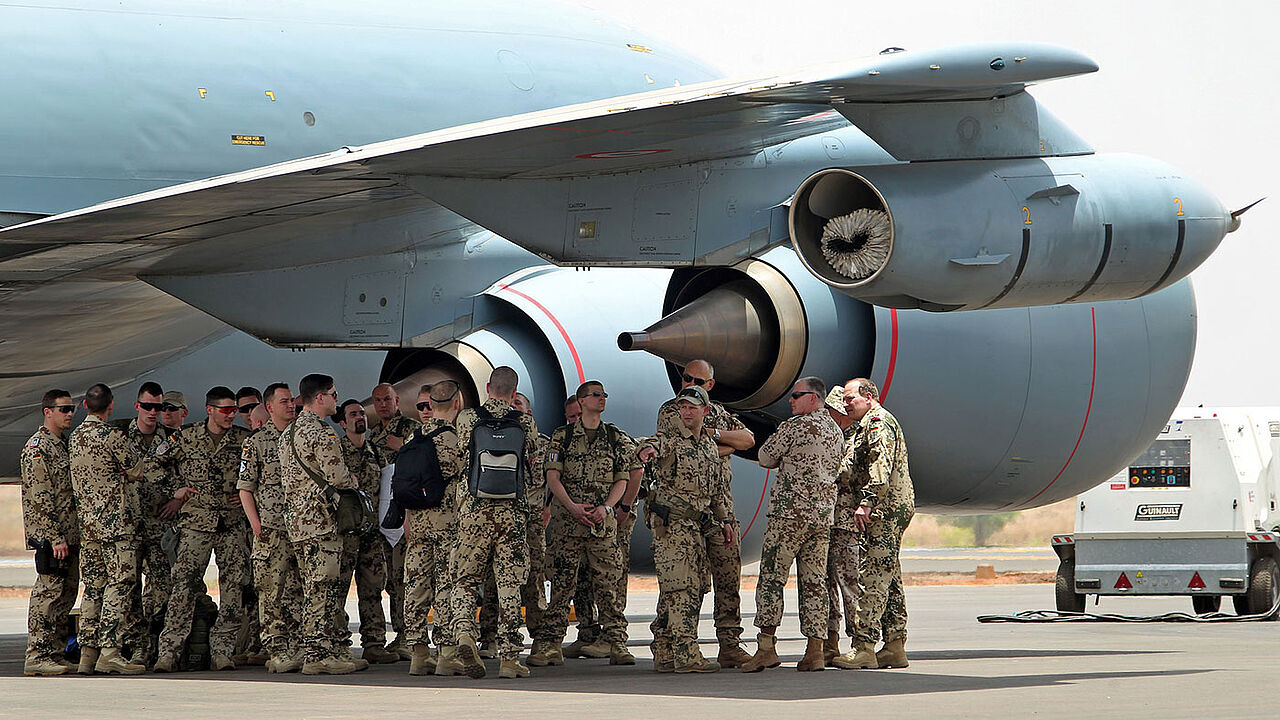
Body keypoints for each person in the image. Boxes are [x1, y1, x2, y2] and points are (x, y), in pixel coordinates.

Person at [653, 359, 755, 667]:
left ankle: (729, 643)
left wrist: (710, 435)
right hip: (687, 511)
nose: (690, 383)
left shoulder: (716, 411)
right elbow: (688, 446)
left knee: (727, 579)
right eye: (686, 377)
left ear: (710, 385)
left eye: (698, 380)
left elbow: (748, 440)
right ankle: (669, 643)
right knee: (681, 580)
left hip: (719, 507)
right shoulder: (674, 409)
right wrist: (721, 441)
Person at [741, 377, 843, 673]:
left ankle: (766, 648)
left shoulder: (795, 427)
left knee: (772, 579)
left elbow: (764, 457)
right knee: (814, 584)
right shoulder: (835, 431)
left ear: (814, 398)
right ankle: (815, 651)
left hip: (789, 517)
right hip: (821, 519)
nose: (791, 400)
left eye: (796, 395)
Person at [535, 382, 637, 667]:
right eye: (596, 395)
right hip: (569, 525)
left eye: (604, 395)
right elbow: (553, 478)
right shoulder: (562, 437)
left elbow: (623, 478)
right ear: (581, 402)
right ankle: (551, 644)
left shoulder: (614, 437)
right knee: (562, 586)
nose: (602, 399)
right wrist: (572, 507)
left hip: (601, 528)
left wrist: (607, 508)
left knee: (608, 586)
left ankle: (617, 642)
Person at [153, 386, 253, 672]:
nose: (231, 415)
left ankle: (222, 651)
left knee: (233, 586)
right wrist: (177, 491)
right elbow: (151, 467)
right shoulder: (186, 438)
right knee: (184, 586)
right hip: (196, 524)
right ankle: (169, 652)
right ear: (209, 409)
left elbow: (260, 471)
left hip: (231, 524)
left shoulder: (243, 440)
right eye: (225, 410)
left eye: (234, 410)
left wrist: (247, 493)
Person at [449, 366, 538, 680]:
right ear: (514, 393)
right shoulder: (525, 422)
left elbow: (460, 457)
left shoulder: (467, 419)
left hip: (473, 512)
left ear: (488, 388)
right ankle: (510, 658)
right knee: (509, 585)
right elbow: (534, 469)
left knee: (465, 580)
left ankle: (464, 635)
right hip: (511, 516)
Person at [636, 385, 728, 673]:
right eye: (683, 407)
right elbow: (651, 444)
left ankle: (664, 650)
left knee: (691, 588)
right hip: (673, 528)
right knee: (681, 590)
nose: (686, 412)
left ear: (705, 411)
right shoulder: (672, 441)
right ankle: (687, 654)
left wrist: (724, 521)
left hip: (697, 528)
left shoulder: (709, 447)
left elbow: (716, 492)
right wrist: (646, 449)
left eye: (692, 407)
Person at [277, 373, 364, 675]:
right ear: (320, 398)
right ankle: (318, 654)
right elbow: (338, 477)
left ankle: (315, 648)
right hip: (322, 522)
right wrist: (352, 480)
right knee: (323, 588)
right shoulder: (321, 433)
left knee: (310, 586)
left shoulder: (288, 433)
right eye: (334, 395)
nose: (336, 400)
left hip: (299, 524)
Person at [835, 378, 914, 670]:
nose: (845, 404)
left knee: (874, 576)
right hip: (888, 507)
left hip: (885, 508)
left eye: (850, 398)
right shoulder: (866, 424)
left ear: (868, 397)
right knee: (889, 575)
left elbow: (880, 466)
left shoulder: (878, 422)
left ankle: (864, 646)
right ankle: (894, 645)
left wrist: (867, 502)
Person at [70, 383, 146, 675]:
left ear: (86, 407)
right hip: (116, 526)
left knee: (93, 587)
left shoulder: (75, 437)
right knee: (121, 583)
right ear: (111, 406)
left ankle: (87, 654)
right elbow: (136, 470)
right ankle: (110, 651)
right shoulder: (113, 435)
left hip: (88, 527)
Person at [237, 382, 303, 673]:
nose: (291, 405)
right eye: (285, 401)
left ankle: (301, 647)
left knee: (298, 591)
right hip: (271, 529)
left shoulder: (300, 437)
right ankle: (276, 650)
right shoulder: (257, 441)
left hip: (301, 527)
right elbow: (245, 488)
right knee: (271, 591)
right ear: (270, 407)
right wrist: (256, 525)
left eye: (292, 401)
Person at [114, 382, 179, 668]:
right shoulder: (118, 437)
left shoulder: (173, 440)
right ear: (138, 406)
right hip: (129, 527)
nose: (154, 412)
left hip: (159, 527)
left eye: (159, 407)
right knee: (129, 590)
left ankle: (161, 647)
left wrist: (177, 502)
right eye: (149, 406)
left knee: (164, 588)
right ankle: (137, 648)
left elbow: (185, 476)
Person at [403, 381, 465, 676]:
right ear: (456, 403)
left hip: (417, 521)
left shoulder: (412, 437)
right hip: (446, 522)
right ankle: (446, 653)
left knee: (415, 584)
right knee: (445, 584)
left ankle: (418, 652)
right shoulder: (453, 439)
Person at [20, 389, 79, 676]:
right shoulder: (38, 448)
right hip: (51, 536)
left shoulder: (62, 444)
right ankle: (37, 654)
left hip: (68, 533)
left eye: (71, 409)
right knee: (48, 594)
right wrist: (55, 537)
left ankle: (54, 651)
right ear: (48, 412)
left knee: (65, 595)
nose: (69, 414)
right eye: (64, 409)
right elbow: (40, 496)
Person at [336, 399, 398, 664]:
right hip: (346, 533)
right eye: (353, 414)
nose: (360, 417)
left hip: (371, 534)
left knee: (372, 589)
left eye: (361, 413)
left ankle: (374, 642)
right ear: (342, 422)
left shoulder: (375, 451)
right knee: (338, 589)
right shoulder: (336, 452)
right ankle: (339, 642)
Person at [368, 382, 419, 659]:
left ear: (397, 400)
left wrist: (403, 448)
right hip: (381, 515)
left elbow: (422, 462)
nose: (382, 405)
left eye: (387, 399)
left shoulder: (410, 429)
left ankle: (407, 635)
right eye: (377, 400)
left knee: (403, 578)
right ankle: (399, 632)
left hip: (403, 515)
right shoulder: (372, 433)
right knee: (388, 579)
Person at [821, 380, 862, 666]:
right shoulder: (829, 437)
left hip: (846, 523)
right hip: (825, 521)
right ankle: (829, 641)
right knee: (824, 586)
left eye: (835, 412)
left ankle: (860, 641)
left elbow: (843, 472)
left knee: (850, 584)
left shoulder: (856, 439)